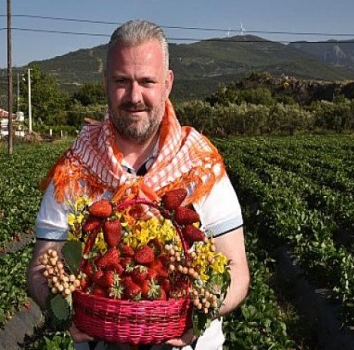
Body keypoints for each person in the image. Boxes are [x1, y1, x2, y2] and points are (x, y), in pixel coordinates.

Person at [27, 19, 250, 350]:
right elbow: (40, 268)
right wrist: (64, 312)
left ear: (167, 83)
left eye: (147, 81)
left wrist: (204, 308)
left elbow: (237, 270)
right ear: (104, 83)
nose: (134, 96)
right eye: (121, 81)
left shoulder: (200, 166)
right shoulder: (75, 169)